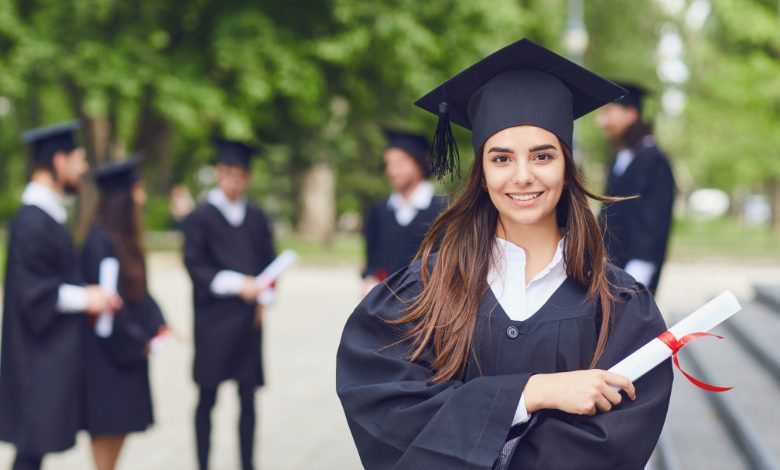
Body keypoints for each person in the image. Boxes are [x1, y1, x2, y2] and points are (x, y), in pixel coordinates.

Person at [336, 39, 673, 469]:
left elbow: (614, 443)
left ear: (566, 166)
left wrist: (479, 426)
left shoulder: (620, 304)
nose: (522, 176)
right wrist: (532, 393)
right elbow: (388, 412)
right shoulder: (423, 290)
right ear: (482, 173)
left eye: (542, 155)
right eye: (501, 158)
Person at [0, 121, 121, 470]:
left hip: (45, 351)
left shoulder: (46, 214)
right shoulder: (32, 220)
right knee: (31, 447)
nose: (83, 169)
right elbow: (33, 291)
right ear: (58, 160)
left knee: (34, 449)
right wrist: (88, 298)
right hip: (35, 354)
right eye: (78, 160)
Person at [183, 139, 276, 470]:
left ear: (247, 178)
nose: (233, 181)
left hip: (248, 322)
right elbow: (195, 266)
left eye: (239, 175)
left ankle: (248, 464)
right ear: (219, 174)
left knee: (248, 397)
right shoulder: (201, 217)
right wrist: (240, 285)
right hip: (213, 320)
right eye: (227, 174)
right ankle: (203, 463)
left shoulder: (257, 218)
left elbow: (270, 264)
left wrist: (265, 295)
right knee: (207, 395)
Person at [80, 156, 168, 470]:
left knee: (119, 437)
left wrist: (159, 323)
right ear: (122, 198)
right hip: (107, 358)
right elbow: (109, 307)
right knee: (107, 437)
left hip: (125, 355)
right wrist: (138, 341)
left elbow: (136, 294)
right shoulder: (99, 241)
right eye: (137, 190)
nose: (142, 198)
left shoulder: (122, 240)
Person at [597, 83, 676, 294]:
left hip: (634, 272)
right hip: (611, 268)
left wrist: (640, 268)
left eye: (608, 113)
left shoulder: (653, 160)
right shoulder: (622, 158)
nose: (601, 122)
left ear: (630, 114)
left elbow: (654, 221)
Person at [361, 129, 448, 295]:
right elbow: (371, 263)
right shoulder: (380, 211)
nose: (392, 171)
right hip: (384, 304)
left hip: (428, 306)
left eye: (400, 162)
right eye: (388, 164)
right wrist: (370, 278)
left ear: (418, 162)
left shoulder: (444, 211)